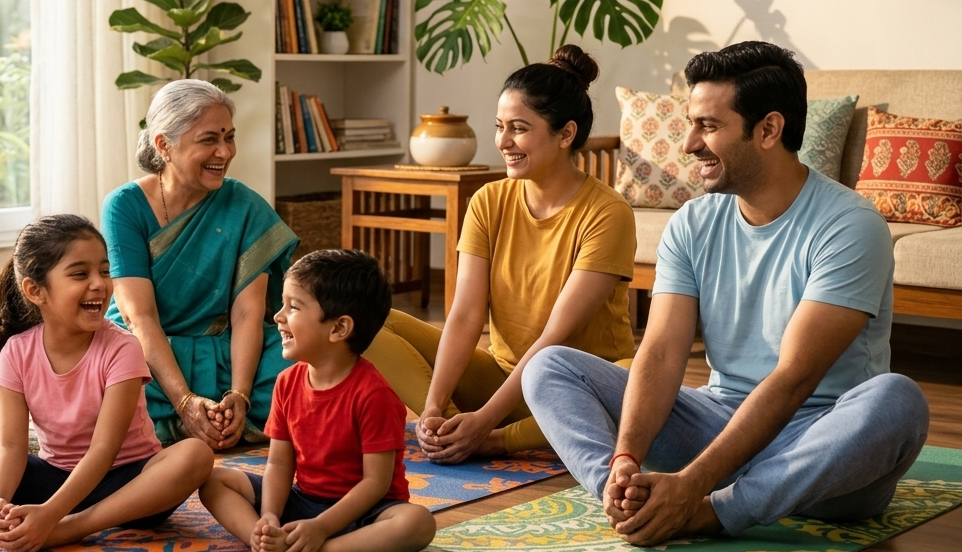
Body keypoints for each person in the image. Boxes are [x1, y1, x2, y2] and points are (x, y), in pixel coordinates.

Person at [523, 41, 931, 546]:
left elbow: (793, 380)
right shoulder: (693, 222)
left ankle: (711, 512)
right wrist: (626, 456)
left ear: (768, 130)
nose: (690, 142)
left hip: (822, 452)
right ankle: (626, 497)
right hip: (718, 423)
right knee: (551, 367)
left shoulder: (849, 226)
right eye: (692, 123)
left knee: (898, 401)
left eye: (709, 126)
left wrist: (692, 487)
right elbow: (663, 350)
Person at [364, 45, 637, 463]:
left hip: (577, 387)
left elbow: (555, 338)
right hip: (504, 379)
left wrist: (487, 426)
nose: (504, 141)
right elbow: (465, 314)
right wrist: (434, 407)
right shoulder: (489, 200)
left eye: (520, 128)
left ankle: (494, 440)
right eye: (500, 126)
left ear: (565, 134)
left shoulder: (607, 213)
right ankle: (449, 430)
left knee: (636, 381)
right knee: (367, 318)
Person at [0, 214, 212, 551]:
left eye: (104, 270)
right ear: (35, 290)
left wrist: (53, 515)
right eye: (79, 274)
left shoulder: (123, 347)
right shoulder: (17, 351)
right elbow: (13, 447)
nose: (99, 284)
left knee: (195, 454)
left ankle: (69, 528)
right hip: (54, 478)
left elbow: (104, 449)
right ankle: (6, 524)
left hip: (127, 486)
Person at [102, 79, 299, 450]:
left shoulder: (245, 206)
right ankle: (194, 419)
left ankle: (219, 417)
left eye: (229, 137)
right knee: (105, 386)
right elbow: (138, 317)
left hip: (222, 349)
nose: (224, 152)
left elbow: (247, 314)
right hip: (147, 351)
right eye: (209, 139)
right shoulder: (125, 206)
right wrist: (184, 401)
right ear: (164, 145)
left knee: (307, 369)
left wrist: (239, 393)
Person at [201, 249, 437, 552]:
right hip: (303, 502)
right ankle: (266, 541)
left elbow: (375, 484)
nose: (278, 316)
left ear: (339, 328)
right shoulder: (287, 383)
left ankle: (320, 548)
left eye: (293, 307)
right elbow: (278, 462)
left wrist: (321, 528)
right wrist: (270, 515)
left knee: (417, 523)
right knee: (215, 481)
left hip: (364, 513)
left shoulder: (374, 394)